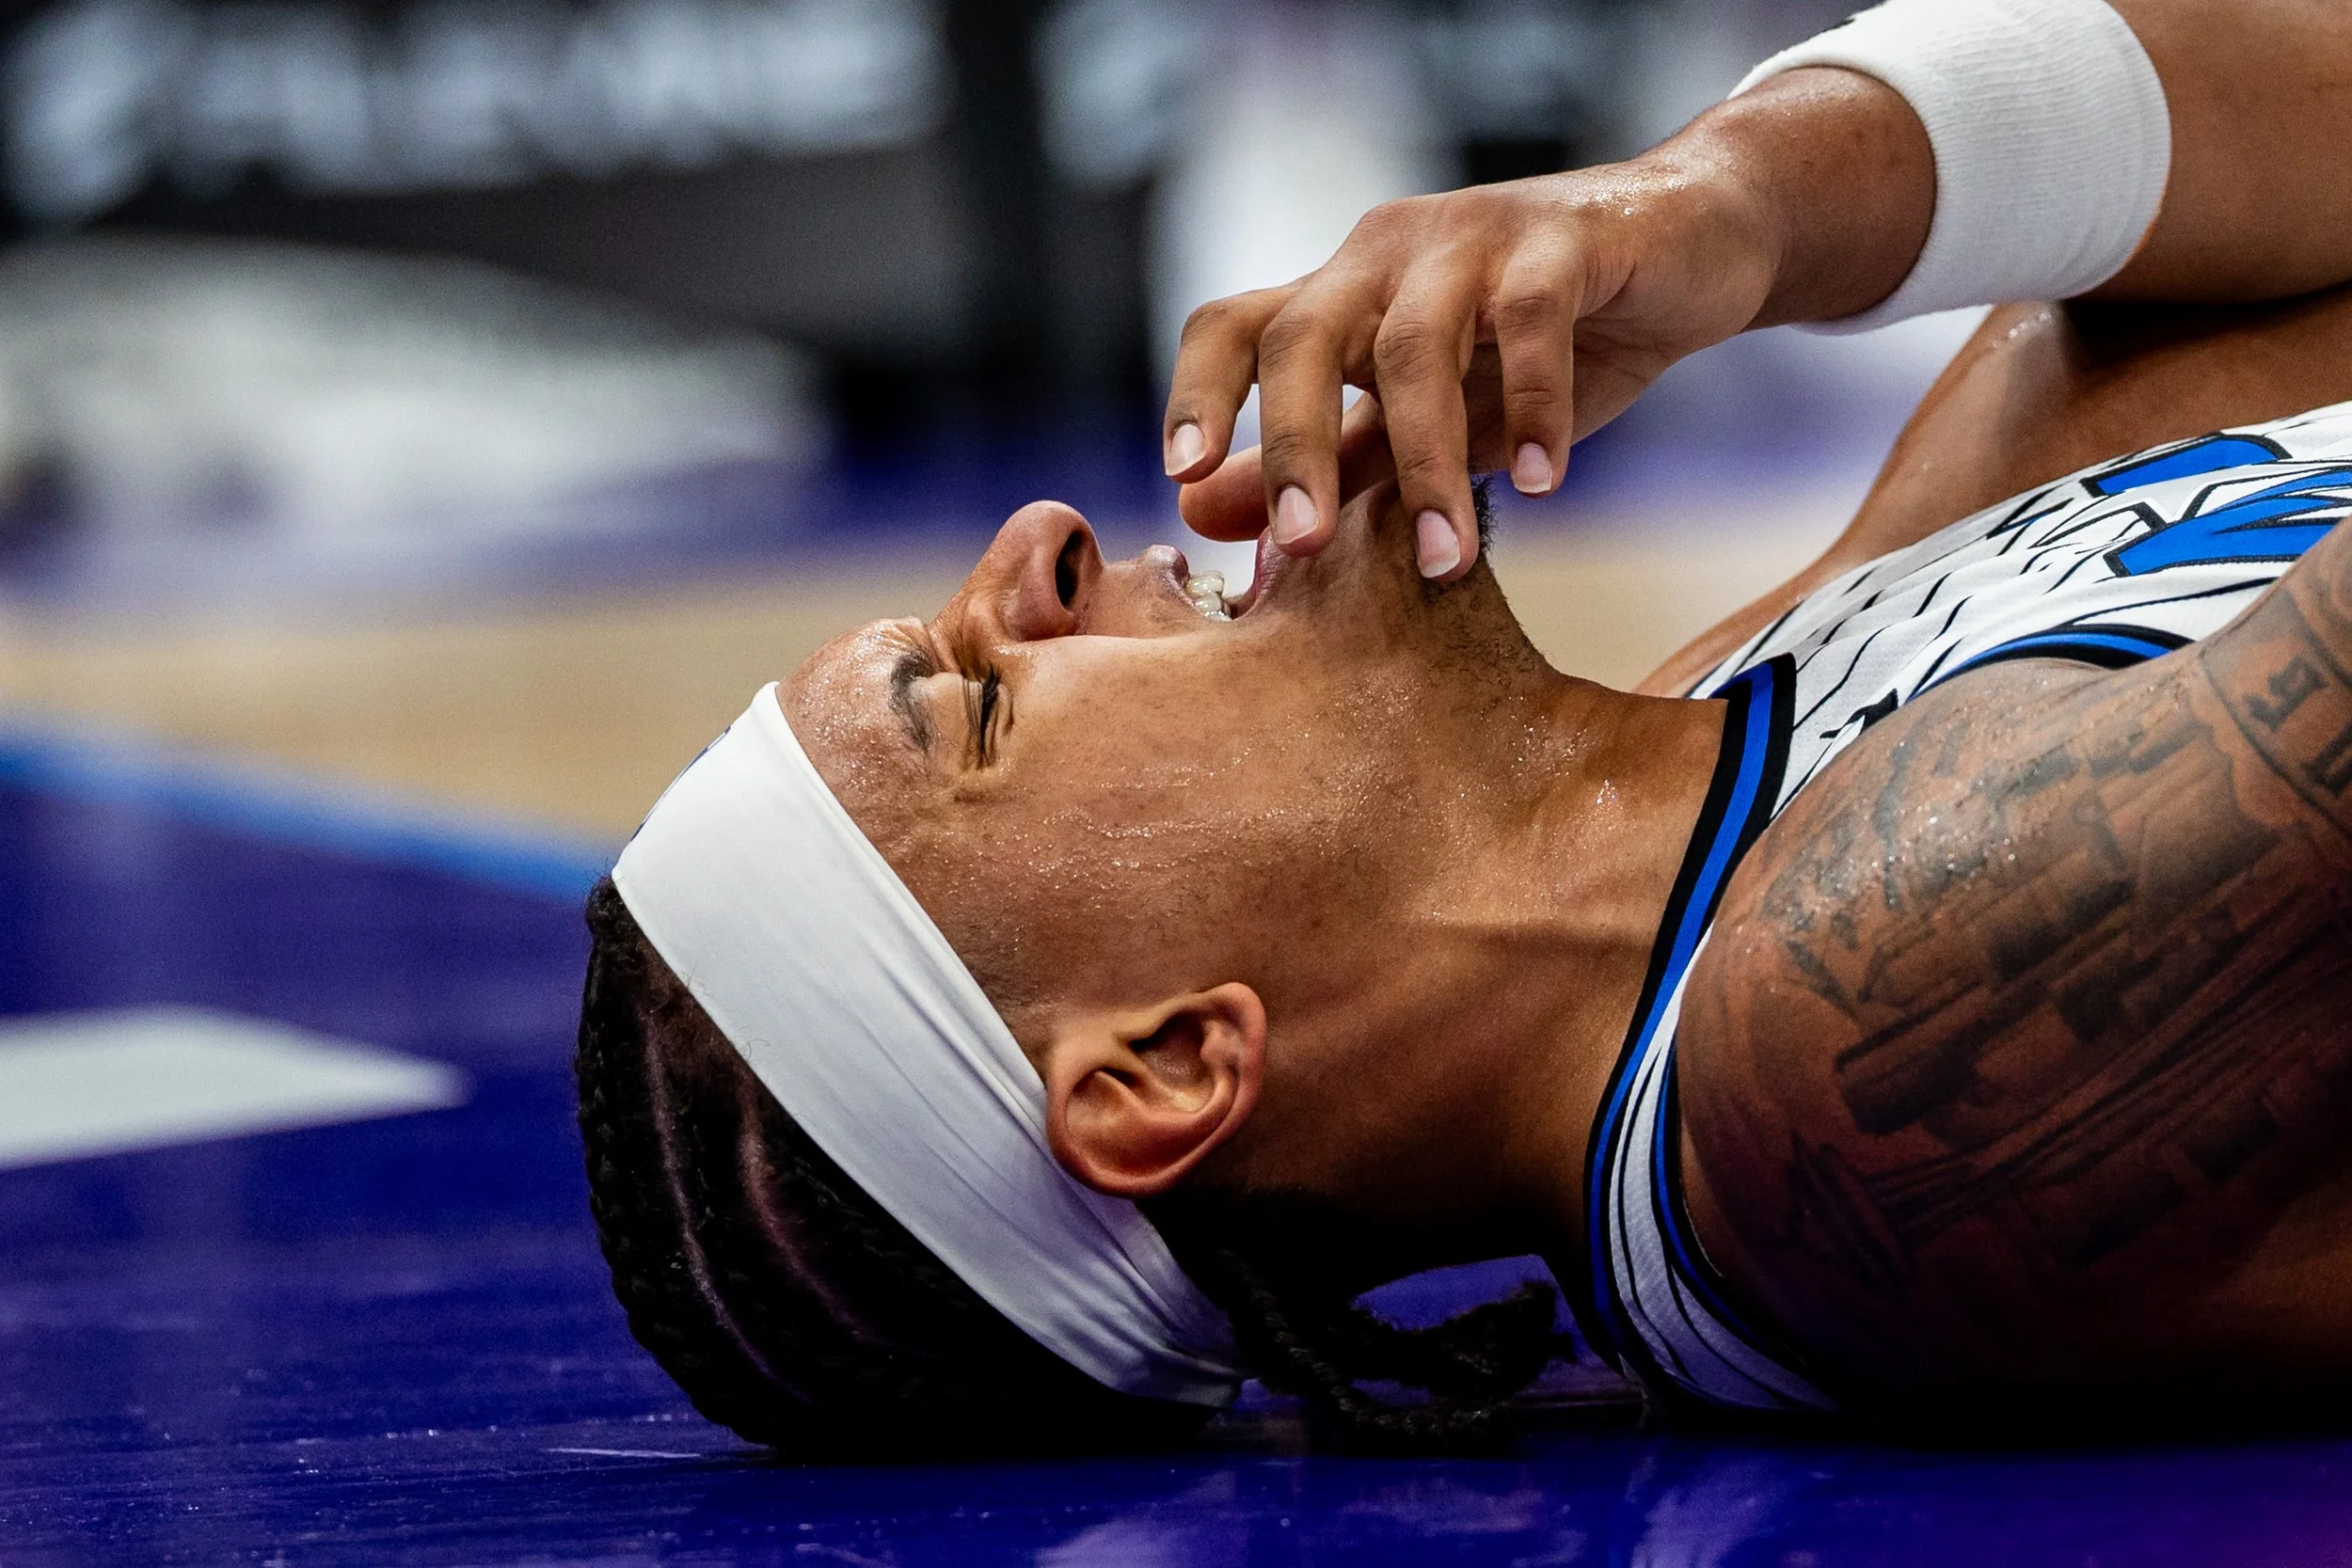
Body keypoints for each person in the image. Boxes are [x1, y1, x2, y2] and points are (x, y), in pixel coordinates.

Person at [574, 0, 2352, 1457]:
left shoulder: (1740, 715)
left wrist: (1733, 206)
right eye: (978, 700)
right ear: (1168, 1066)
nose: (1038, 549)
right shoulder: (1836, 1036)